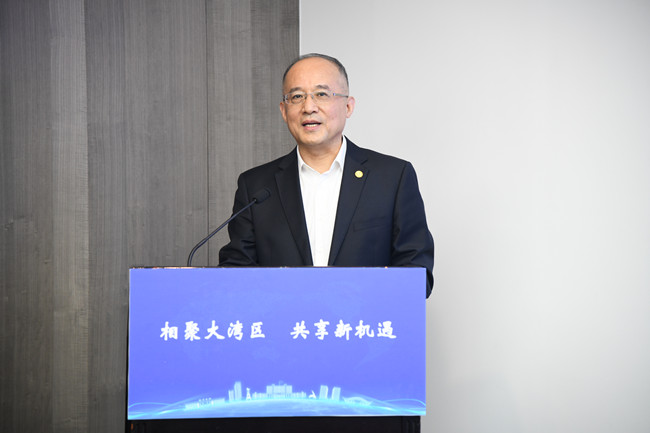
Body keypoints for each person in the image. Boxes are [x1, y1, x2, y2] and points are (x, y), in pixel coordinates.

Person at [219, 53, 434, 297]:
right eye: (297, 97)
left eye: (321, 94)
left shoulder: (392, 178)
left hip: (363, 319)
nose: (309, 107)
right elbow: (235, 276)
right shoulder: (256, 187)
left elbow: (417, 274)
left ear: (348, 106)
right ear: (283, 110)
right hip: (285, 320)